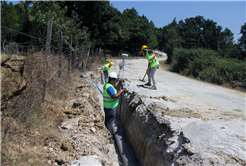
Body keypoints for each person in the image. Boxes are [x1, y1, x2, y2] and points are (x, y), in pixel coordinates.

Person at [103, 72, 125, 143]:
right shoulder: (109, 87)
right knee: (109, 123)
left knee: (107, 122)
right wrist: (121, 92)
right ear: (112, 79)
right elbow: (114, 96)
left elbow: (114, 89)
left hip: (107, 107)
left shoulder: (107, 85)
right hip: (110, 109)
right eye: (115, 80)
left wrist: (120, 83)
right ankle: (109, 138)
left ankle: (105, 134)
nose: (115, 81)